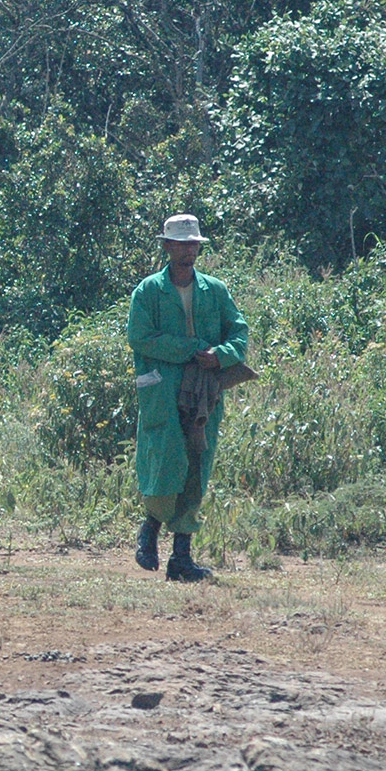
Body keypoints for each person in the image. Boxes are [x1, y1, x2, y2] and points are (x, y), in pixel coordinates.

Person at [126, 214, 248, 581]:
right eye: (181, 244)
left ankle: (181, 557)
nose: (188, 251)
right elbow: (140, 338)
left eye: (193, 244)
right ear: (166, 246)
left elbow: (239, 333)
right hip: (163, 390)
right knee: (165, 461)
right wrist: (191, 349)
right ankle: (149, 530)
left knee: (197, 464)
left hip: (204, 392)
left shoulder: (216, 290)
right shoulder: (147, 291)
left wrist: (221, 356)